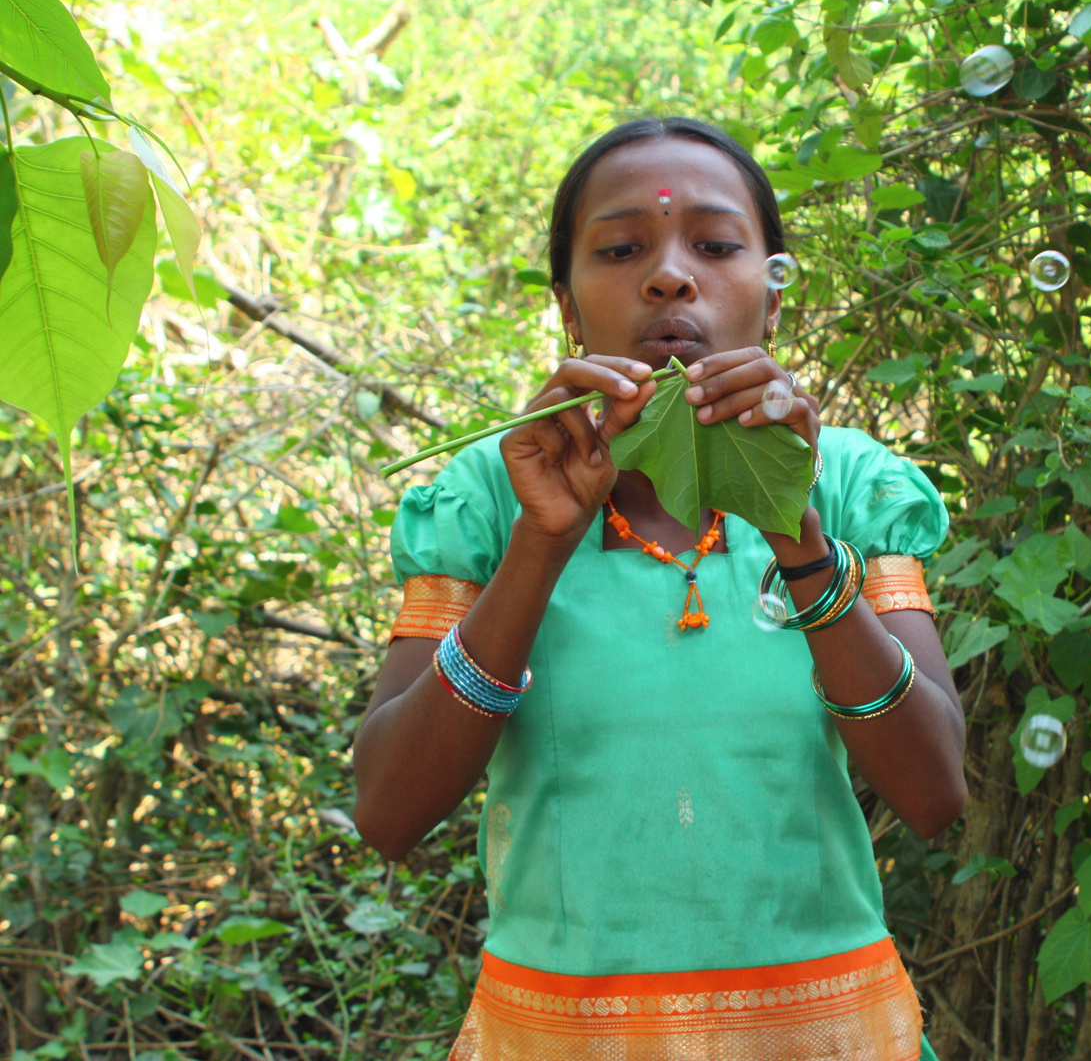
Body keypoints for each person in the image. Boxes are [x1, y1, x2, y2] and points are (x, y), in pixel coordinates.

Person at [353, 116, 967, 1060]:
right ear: (567, 306)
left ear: (773, 291)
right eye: (621, 248)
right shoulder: (487, 496)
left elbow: (933, 796)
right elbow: (390, 813)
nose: (671, 276)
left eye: (717, 245)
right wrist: (540, 544)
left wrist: (793, 526)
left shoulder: (845, 485)